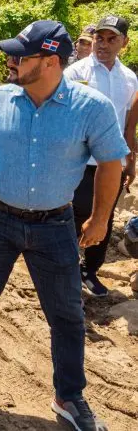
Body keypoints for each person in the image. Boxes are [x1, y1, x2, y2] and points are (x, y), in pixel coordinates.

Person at [0, 21, 127, 431]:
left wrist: (101, 217)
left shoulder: (92, 108)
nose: (9, 62)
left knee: (68, 315)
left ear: (51, 62)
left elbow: (112, 163)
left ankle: (69, 397)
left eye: (20, 57)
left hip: (55, 224)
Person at [64, 16, 138, 297]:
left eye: (111, 39)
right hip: (79, 161)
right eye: (99, 38)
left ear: (124, 43)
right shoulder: (76, 72)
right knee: (74, 216)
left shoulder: (129, 78)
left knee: (104, 219)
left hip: (113, 163)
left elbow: (128, 124)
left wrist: (130, 161)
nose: (103, 44)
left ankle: (89, 271)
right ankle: (67, 275)